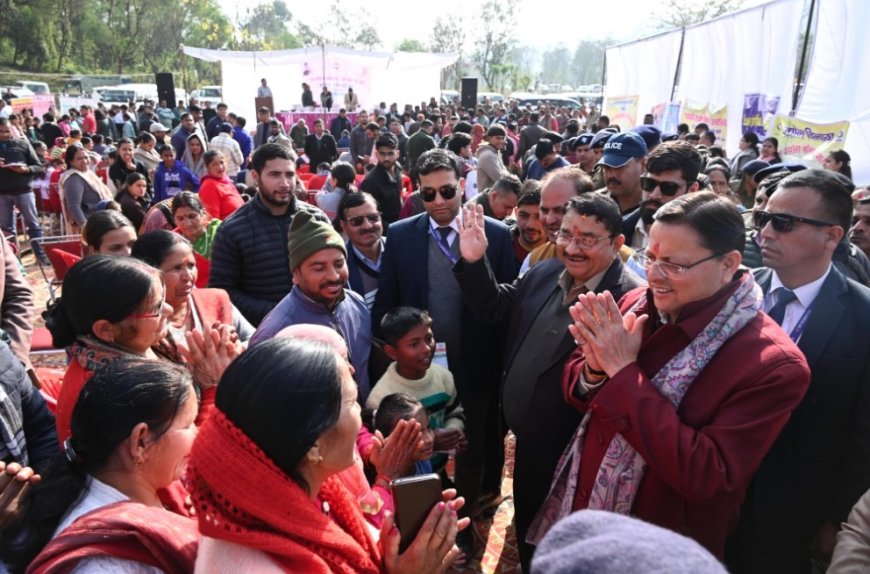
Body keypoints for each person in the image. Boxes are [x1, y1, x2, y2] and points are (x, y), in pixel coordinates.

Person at [529, 192, 810, 560]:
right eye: (650, 257)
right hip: (586, 511)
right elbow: (576, 386)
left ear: (728, 263)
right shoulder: (636, 303)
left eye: (674, 265)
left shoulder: (772, 364)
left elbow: (707, 475)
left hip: (661, 546)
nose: (655, 275)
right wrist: (595, 370)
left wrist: (624, 373)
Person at [454, 193, 645, 568]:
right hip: (528, 446)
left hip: (580, 453)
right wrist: (474, 262)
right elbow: (494, 307)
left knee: (572, 548)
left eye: (588, 239)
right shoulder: (542, 273)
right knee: (530, 533)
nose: (572, 248)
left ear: (618, 243)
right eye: (565, 234)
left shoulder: (631, 300)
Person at [186, 338, 466, 572]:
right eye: (352, 402)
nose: (361, 418)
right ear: (313, 445)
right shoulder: (258, 565)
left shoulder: (316, 492)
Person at [373, 148, 518, 552]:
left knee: (470, 444)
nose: (438, 201)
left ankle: (464, 527)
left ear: (463, 185)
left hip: (476, 364)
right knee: (418, 447)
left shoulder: (497, 234)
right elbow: (387, 304)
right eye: (428, 194)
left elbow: (505, 307)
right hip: (419, 370)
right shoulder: (401, 236)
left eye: (447, 191)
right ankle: (421, 527)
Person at [727, 170, 870, 573]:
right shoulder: (734, 292)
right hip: (714, 496)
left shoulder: (863, 316)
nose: (766, 232)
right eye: (763, 219)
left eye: (784, 223)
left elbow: (865, 436)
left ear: (832, 236)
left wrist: (840, 519)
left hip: (796, 520)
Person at [0, 359, 199, 572]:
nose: (198, 434)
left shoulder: (81, 490)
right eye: (188, 425)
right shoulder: (107, 562)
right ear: (140, 442)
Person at [249, 210, 372, 399]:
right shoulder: (275, 333)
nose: (333, 276)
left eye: (339, 264)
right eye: (319, 268)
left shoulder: (356, 303)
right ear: (295, 274)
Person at [209, 143, 329, 326]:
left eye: (289, 174)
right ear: (256, 177)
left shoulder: (316, 218)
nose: (284, 183)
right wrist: (277, 312)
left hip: (319, 324)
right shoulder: (232, 230)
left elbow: (335, 271)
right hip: (266, 333)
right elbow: (222, 293)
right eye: (274, 175)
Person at [367, 306, 466, 472]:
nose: (426, 348)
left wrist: (453, 433)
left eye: (428, 338)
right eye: (414, 344)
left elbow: (455, 412)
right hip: (406, 477)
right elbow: (385, 449)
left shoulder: (443, 377)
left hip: (438, 470)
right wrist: (432, 441)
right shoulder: (381, 397)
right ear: (391, 352)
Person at [131, 230, 253, 364]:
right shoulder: (143, 322)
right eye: (177, 268)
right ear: (151, 274)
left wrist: (231, 348)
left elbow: (256, 340)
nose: (188, 276)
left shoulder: (216, 299)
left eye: (191, 266)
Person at [622, 141, 702, 251]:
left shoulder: (703, 244)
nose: (654, 195)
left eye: (668, 187)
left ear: (692, 190)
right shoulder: (616, 230)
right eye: (649, 183)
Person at [0, 117, 49, 263]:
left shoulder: (22, 144)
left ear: (12, 129)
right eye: (1, 132)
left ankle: (40, 256)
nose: (4, 134)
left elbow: (39, 166)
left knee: (33, 223)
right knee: (7, 229)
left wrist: (25, 169)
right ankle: (14, 261)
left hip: (24, 190)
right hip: (2, 193)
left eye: (7, 131)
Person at [372, 393, 437, 477]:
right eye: (416, 433)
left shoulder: (423, 463)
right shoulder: (386, 481)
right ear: (388, 440)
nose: (429, 439)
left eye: (428, 427)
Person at [339, 192, 384, 309]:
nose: (367, 226)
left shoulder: (399, 248)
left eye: (373, 218)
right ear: (344, 226)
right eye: (357, 221)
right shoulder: (339, 265)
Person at [59, 144, 114, 234]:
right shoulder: (73, 178)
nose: (84, 161)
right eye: (79, 159)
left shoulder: (87, 173)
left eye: (86, 157)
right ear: (71, 162)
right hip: (90, 226)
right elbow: (74, 207)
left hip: (101, 221)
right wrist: (86, 229)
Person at [171, 192, 221, 287]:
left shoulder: (219, 231)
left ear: (203, 213)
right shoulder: (173, 240)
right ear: (174, 220)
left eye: (192, 216)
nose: (187, 224)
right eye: (180, 219)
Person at [597, 131, 648, 215]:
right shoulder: (595, 205)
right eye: (606, 167)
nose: (611, 175)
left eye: (619, 167)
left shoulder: (653, 208)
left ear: (643, 164)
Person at [360, 132, 404, 227]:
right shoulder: (370, 182)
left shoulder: (398, 169)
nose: (386, 158)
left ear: (397, 154)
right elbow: (369, 215)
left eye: (390, 153)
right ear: (376, 154)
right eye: (382, 154)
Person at [198, 150, 243, 221]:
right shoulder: (209, 187)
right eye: (215, 164)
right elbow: (213, 220)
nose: (220, 167)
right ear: (207, 167)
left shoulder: (226, 181)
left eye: (222, 162)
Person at [476, 125, 510, 195]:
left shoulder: (495, 152)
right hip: (489, 199)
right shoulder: (488, 155)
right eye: (497, 138)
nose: (501, 141)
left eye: (502, 138)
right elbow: (500, 179)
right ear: (489, 138)